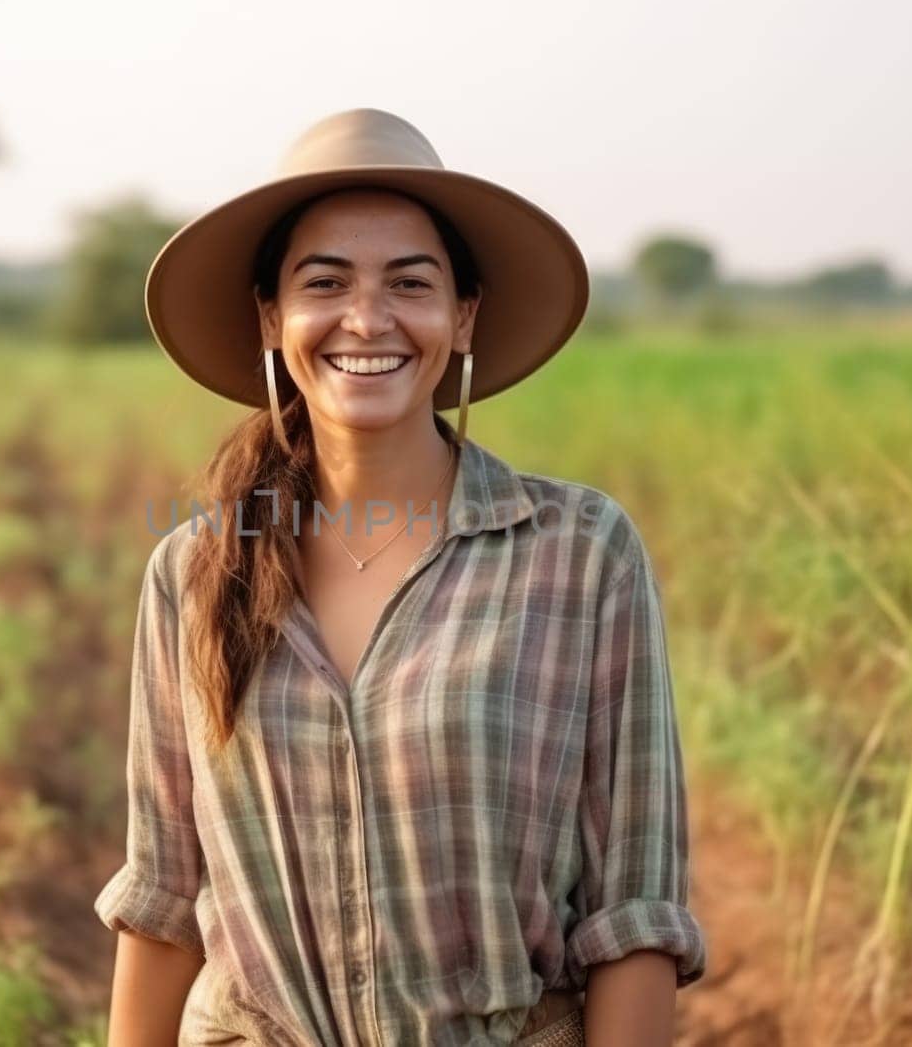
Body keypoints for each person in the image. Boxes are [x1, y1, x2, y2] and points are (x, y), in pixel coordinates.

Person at [96, 107, 706, 1046]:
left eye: (410, 283)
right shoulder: (194, 571)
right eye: (325, 282)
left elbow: (633, 910)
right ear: (273, 316)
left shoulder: (579, 552)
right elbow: (165, 898)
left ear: (463, 316)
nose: (367, 319)